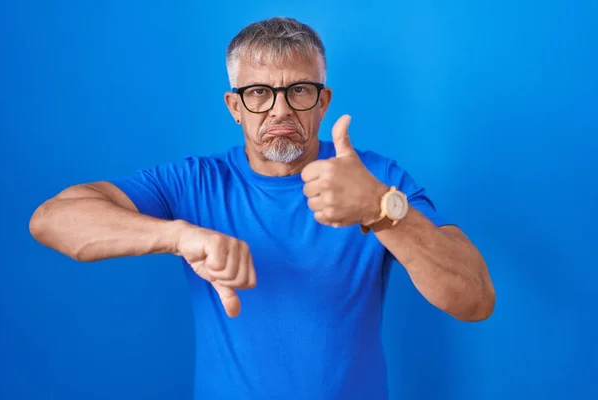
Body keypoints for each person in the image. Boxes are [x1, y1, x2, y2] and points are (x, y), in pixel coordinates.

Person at [29, 16, 495, 400]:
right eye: (258, 93)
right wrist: (179, 235)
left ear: (323, 102)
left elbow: (475, 298)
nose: (280, 110)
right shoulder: (193, 183)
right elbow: (52, 219)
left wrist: (380, 209)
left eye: (299, 91)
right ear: (235, 106)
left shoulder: (375, 180)